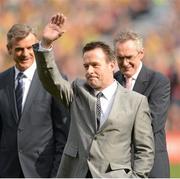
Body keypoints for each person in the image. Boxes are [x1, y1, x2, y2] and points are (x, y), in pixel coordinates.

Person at [34, 13, 154, 178]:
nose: (89, 71)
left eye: (95, 65)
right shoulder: (78, 90)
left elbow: (144, 149)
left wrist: (137, 177)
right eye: (86, 66)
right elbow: (51, 81)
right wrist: (46, 44)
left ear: (112, 65)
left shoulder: (136, 102)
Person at [0, 23, 70, 177]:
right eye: (19, 49)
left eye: (30, 48)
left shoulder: (55, 81)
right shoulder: (1, 82)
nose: (25, 53)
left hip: (41, 172)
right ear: (9, 49)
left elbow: (63, 137)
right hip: (7, 172)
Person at [113, 30, 170, 178]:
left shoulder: (158, 82)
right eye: (120, 58)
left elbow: (152, 124)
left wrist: (115, 127)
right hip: (118, 166)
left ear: (141, 53)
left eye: (129, 57)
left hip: (152, 165)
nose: (125, 63)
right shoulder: (112, 81)